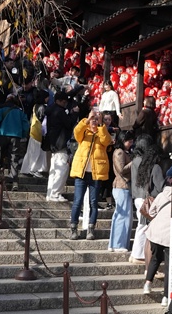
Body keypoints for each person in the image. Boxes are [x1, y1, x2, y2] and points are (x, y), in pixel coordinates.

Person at [143, 173, 172, 305]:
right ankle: (165, 297)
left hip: (156, 233)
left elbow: (151, 212)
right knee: (170, 266)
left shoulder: (162, 195)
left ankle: (147, 284)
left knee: (156, 258)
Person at [68, 108, 112, 241]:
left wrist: (101, 125)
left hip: (95, 174)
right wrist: (87, 119)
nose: (94, 121)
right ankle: (73, 228)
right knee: (77, 201)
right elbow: (76, 133)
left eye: (97, 118)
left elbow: (107, 141)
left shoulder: (102, 132)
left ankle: (91, 229)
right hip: (81, 173)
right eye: (93, 118)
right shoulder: (84, 131)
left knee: (93, 202)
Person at [129, 134, 165, 263]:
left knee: (142, 225)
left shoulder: (135, 160)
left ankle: (136, 253)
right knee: (143, 226)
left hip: (137, 195)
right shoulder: (144, 161)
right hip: (144, 197)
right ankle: (138, 254)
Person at [0, 93, 30, 190]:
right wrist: (23, 134)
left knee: (0, 156)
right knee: (14, 158)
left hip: (2, 135)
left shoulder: (0, 109)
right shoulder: (19, 111)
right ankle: (14, 180)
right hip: (16, 136)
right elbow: (26, 125)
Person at [43, 91, 76, 202]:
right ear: (58, 101)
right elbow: (69, 124)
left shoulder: (51, 110)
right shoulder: (59, 112)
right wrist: (74, 114)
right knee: (61, 169)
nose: (65, 103)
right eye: (63, 101)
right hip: (61, 144)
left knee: (54, 170)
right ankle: (56, 193)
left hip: (53, 144)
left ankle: (50, 193)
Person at [108, 129, 133, 252]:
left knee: (121, 216)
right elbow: (121, 169)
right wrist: (134, 162)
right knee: (122, 216)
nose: (131, 143)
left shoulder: (123, 152)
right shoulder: (119, 152)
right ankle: (118, 244)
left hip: (122, 187)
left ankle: (116, 243)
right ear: (123, 140)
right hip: (121, 186)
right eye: (129, 141)